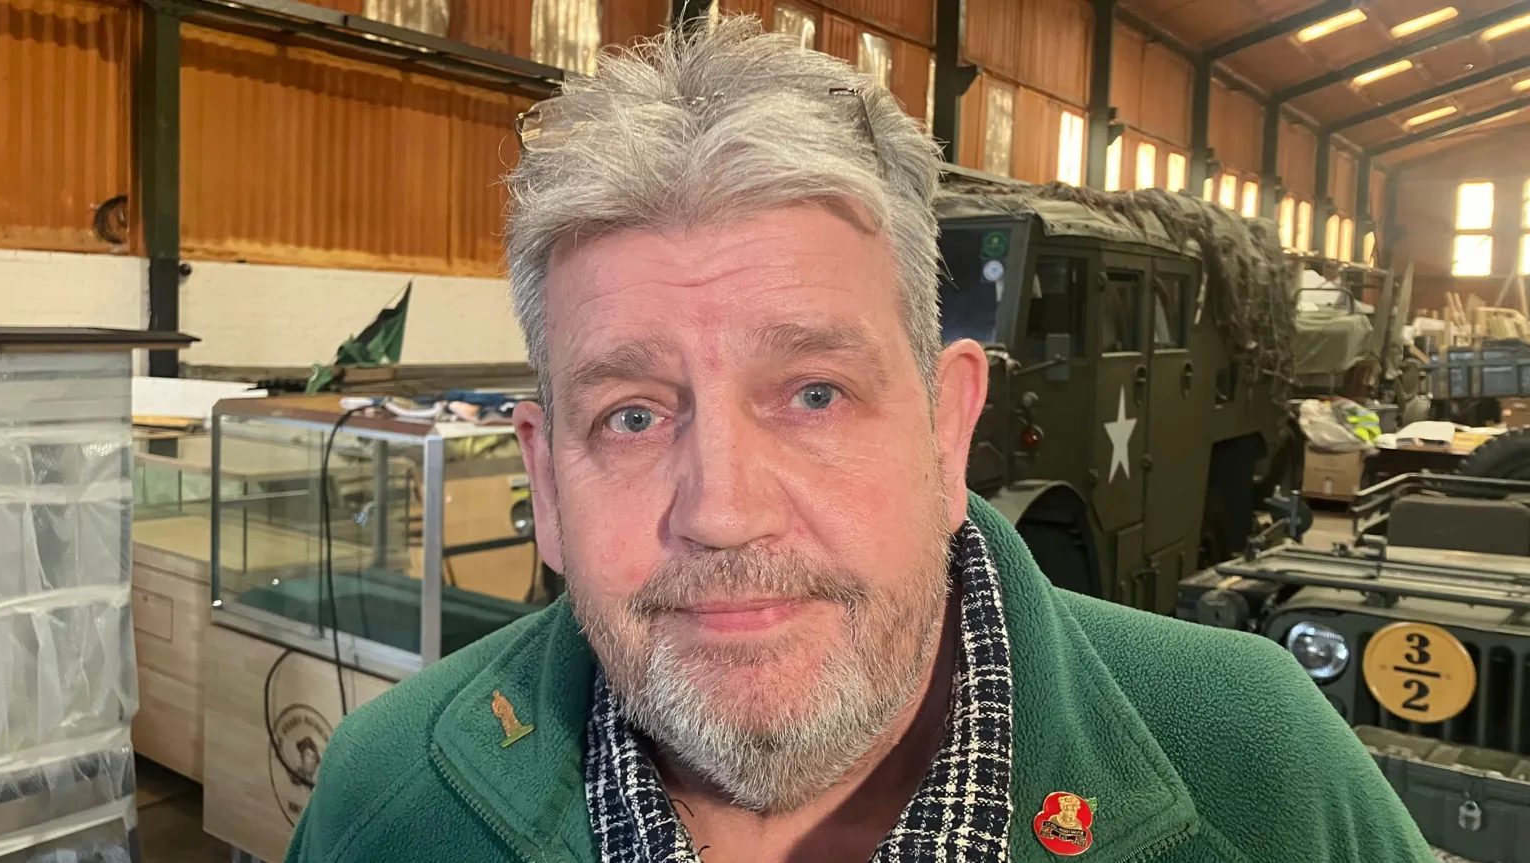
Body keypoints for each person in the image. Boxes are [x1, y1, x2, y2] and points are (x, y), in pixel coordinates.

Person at [287, 15, 1435, 863]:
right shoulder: (387, 800)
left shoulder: (1258, 770)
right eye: (631, 415)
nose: (723, 510)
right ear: (544, 475)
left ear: (948, 427)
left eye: (815, 393)